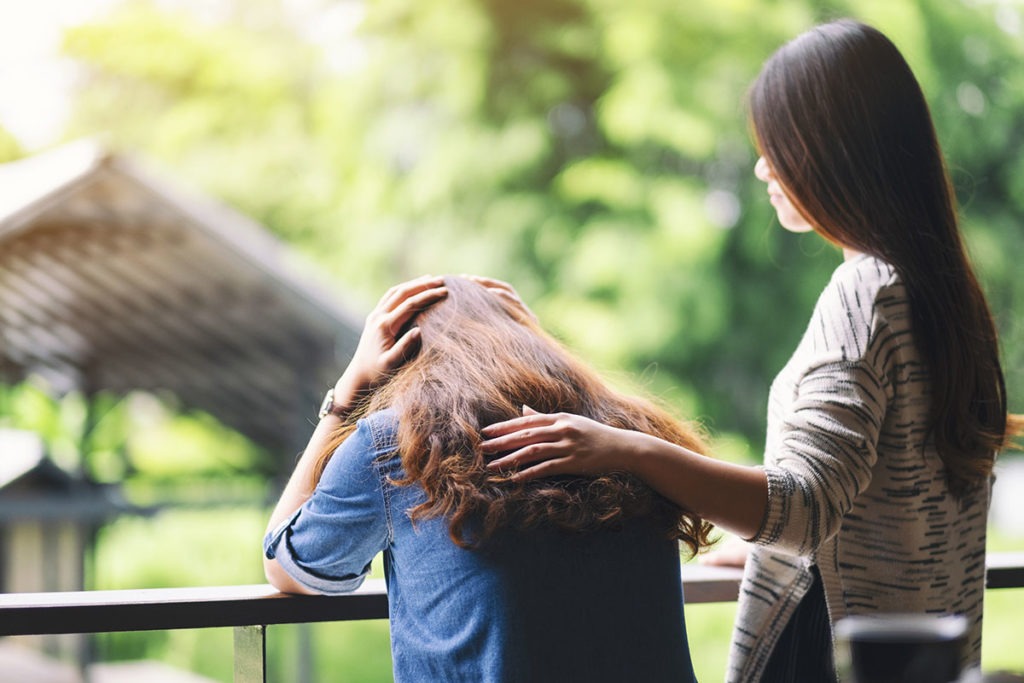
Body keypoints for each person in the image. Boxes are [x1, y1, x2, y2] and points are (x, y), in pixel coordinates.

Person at [480, 19, 1023, 683]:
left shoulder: (866, 292)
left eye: (779, 144)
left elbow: (805, 505)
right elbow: (882, 505)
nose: (765, 167)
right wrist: (775, 559)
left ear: (834, 147)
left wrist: (623, 448)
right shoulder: (947, 299)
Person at [263, 274, 713, 682]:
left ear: (400, 356)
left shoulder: (399, 443)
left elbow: (289, 565)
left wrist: (345, 395)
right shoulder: (627, 433)